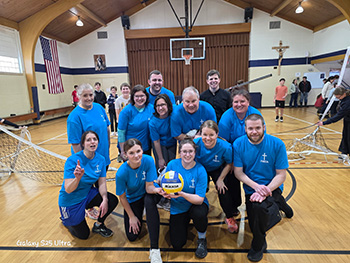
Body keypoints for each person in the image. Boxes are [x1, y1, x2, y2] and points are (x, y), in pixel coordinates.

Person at [233, 114, 293, 262]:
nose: (254, 132)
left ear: (264, 127)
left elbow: (281, 175)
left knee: (259, 210)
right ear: (245, 129)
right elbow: (238, 173)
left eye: (258, 128)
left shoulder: (277, 144)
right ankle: (280, 203)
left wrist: (266, 190)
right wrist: (256, 187)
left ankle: (258, 244)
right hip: (252, 188)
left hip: (272, 186)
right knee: (253, 219)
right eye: (251, 128)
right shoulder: (238, 144)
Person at [58, 131, 118, 239]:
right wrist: (77, 178)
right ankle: (67, 220)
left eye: (94, 139)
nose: (92, 142)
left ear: (98, 142)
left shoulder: (101, 159)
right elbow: (68, 189)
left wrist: (104, 199)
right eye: (88, 140)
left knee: (112, 200)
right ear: (83, 144)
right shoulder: (73, 161)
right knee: (84, 235)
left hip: (86, 194)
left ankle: (98, 225)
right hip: (70, 200)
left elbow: (102, 183)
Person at [115, 138, 165, 263]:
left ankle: (154, 250)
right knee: (132, 237)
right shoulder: (121, 173)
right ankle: (139, 212)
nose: (136, 155)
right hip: (134, 199)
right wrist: (131, 216)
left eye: (138, 151)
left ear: (142, 150)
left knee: (149, 202)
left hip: (150, 192)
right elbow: (122, 197)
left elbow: (149, 187)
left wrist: (159, 191)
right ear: (125, 155)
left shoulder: (148, 160)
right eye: (131, 153)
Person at [67, 83, 111, 220]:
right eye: (85, 95)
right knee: (88, 185)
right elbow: (75, 143)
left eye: (91, 95)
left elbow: (107, 127)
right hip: (87, 160)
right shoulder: (74, 117)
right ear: (79, 96)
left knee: (100, 182)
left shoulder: (98, 107)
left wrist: (108, 146)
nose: (89, 98)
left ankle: (101, 203)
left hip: (102, 156)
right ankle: (89, 207)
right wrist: (83, 163)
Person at [219, 88, 264, 216]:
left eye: (242, 101)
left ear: (248, 102)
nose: (239, 105)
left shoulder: (255, 115)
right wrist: (231, 161)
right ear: (232, 103)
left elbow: (260, 137)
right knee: (232, 178)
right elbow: (223, 142)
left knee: (254, 176)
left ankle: (257, 200)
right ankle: (234, 206)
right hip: (232, 153)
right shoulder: (226, 117)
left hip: (251, 152)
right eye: (236, 102)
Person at [165, 137, 209, 259]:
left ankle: (202, 238)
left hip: (196, 205)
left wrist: (182, 193)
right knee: (177, 244)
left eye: (190, 151)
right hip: (178, 206)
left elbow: (200, 199)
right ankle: (183, 222)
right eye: (184, 151)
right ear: (180, 152)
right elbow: (163, 183)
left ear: (195, 153)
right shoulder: (172, 165)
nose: (187, 154)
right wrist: (163, 191)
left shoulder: (200, 170)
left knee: (199, 213)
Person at [194, 120, 238, 233]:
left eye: (211, 135)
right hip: (201, 168)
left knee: (223, 189)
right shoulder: (196, 143)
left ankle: (229, 217)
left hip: (217, 168)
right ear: (200, 134)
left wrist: (220, 179)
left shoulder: (225, 147)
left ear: (217, 134)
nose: (207, 138)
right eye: (204, 134)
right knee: (198, 189)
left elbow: (229, 163)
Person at [118, 85, 154, 160]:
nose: (139, 98)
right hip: (130, 149)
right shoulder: (126, 111)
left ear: (146, 96)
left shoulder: (151, 108)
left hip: (145, 148)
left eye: (142, 96)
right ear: (132, 97)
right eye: (137, 96)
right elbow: (121, 132)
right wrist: (122, 151)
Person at [317, 87, 350, 156]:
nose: (338, 99)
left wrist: (324, 123)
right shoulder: (344, 99)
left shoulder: (347, 103)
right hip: (347, 120)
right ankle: (344, 151)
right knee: (345, 135)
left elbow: (338, 116)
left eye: (338, 97)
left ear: (344, 94)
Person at [149, 94, 177, 171]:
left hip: (172, 143)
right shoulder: (153, 122)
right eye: (158, 106)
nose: (160, 108)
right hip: (160, 145)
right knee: (161, 167)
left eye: (162, 105)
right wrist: (160, 159)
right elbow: (156, 141)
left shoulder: (174, 113)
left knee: (171, 167)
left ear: (168, 105)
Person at [115, 83, 131, 162]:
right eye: (123, 89)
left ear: (129, 90)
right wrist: (119, 122)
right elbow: (117, 113)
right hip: (122, 122)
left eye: (127, 88)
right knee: (121, 139)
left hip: (130, 122)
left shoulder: (132, 98)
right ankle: (121, 153)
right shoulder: (118, 100)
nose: (125, 90)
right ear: (121, 90)